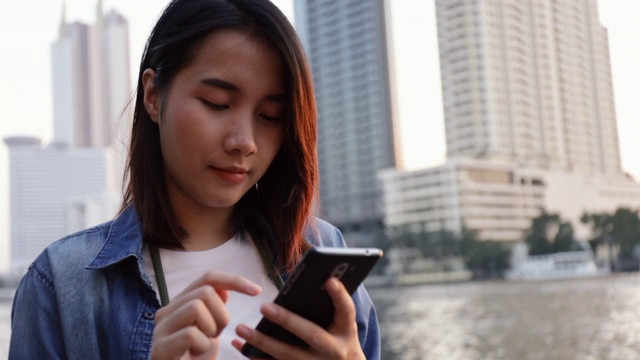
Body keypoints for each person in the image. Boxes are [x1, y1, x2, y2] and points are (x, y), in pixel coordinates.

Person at [9, 0, 380, 359]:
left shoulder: (319, 249)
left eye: (270, 115)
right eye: (217, 103)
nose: (244, 142)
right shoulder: (63, 282)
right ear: (153, 96)